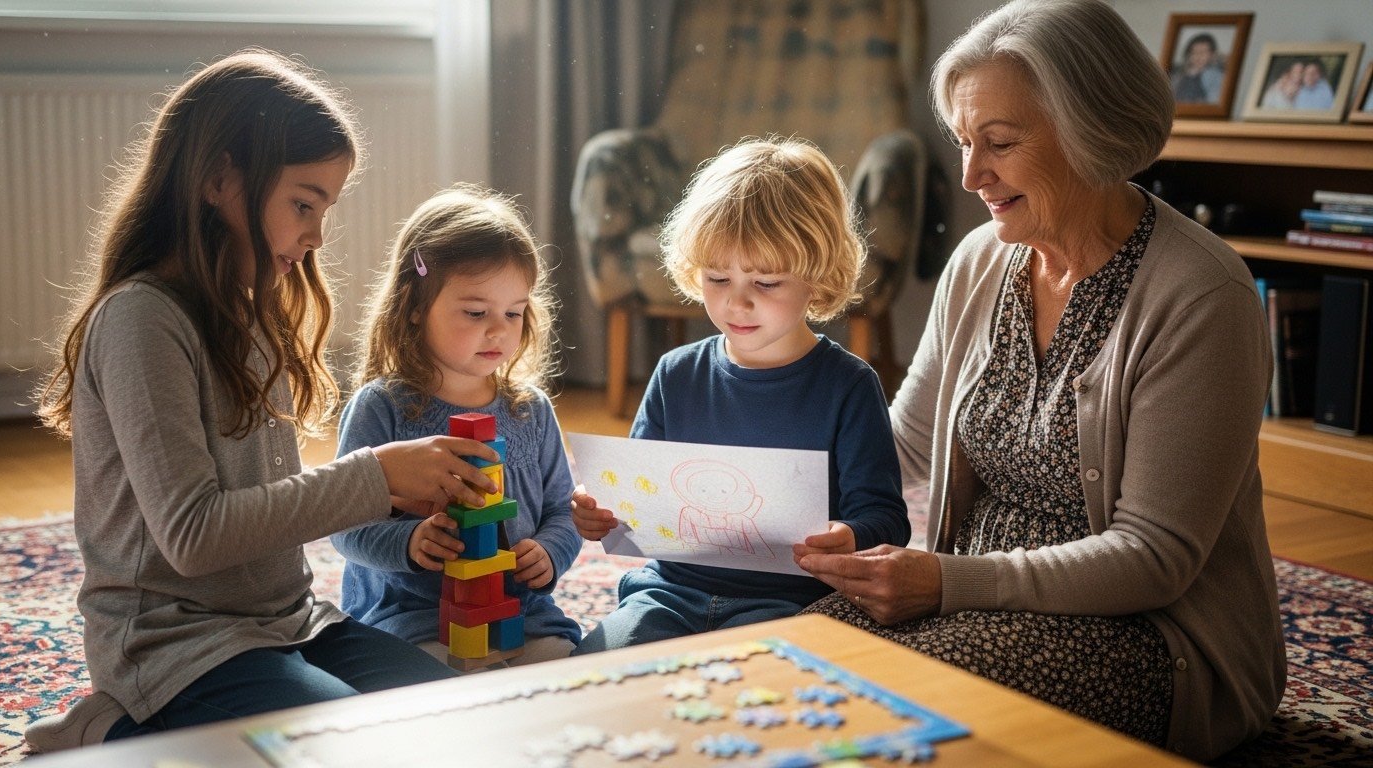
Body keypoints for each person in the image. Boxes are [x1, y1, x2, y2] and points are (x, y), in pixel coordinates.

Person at [794, 0, 1284, 762]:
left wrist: (948, 584)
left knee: (899, 708)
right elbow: (906, 442)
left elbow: (1154, 556)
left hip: (1149, 635)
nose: (969, 175)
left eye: (1000, 143)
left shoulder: (1202, 296)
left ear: (1091, 128)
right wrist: (758, 495)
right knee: (790, 656)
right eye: (963, 142)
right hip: (964, 588)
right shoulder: (982, 260)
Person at [27, 49, 500, 750]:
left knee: (459, 719)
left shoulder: (253, 308)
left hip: (291, 620)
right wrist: (376, 477)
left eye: (324, 209)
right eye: (303, 204)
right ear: (220, 179)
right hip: (177, 642)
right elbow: (194, 535)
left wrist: (399, 493)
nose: (315, 237)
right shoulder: (141, 320)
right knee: (346, 747)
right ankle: (124, 716)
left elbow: (265, 503)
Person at [571, 137, 912, 653]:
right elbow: (638, 505)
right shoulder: (675, 374)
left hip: (793, 604)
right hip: (668, 592)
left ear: (816, 279)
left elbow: (887, 518)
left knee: (771, 684)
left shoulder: (850, 386)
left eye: (767, 282)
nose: (738, 301)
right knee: (596, 668)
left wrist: (849, 535)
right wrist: (603, 516)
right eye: (717, 277)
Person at [331, 186, 582, 666]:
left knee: (563, 675)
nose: (500, 329)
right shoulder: (383, 407)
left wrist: (550, 551)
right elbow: (343, 525)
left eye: (514, 312)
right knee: (439, 697)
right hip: (410, 615)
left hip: (522, 611)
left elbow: (562, 510)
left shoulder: (531, 409)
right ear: (414, 306)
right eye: (475, 312)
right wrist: (409, 541)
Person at [1170, 32, 1223, 104]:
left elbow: (1213, 103)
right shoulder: (1178, 75)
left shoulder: (1215, 76)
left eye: (1203, 52)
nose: (1198, 56)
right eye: (1194, 52)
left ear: (1212, 55)